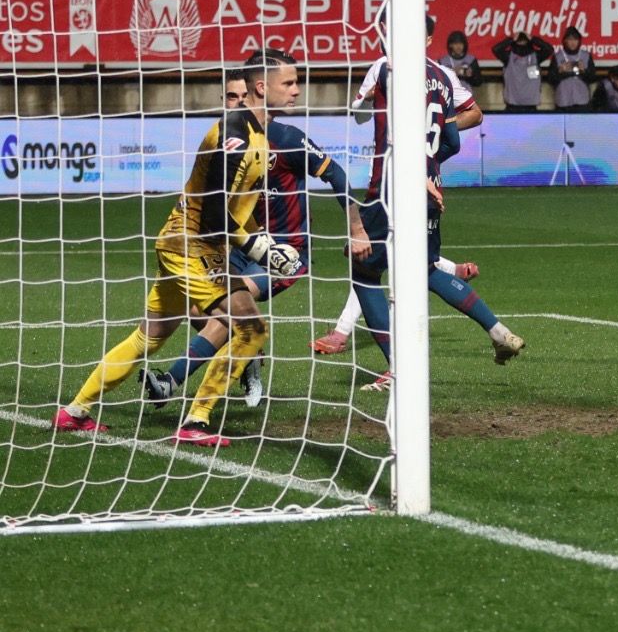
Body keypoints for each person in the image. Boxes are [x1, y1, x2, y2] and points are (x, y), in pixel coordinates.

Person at [55, 50, 319, 446]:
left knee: (148, 337)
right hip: (192, 247)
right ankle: (195, 422)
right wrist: (260, 250)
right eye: (290, 83)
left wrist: (263, 239)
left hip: (182, 243)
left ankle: (74, 412)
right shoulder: (236, 138)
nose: (297, 90)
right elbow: (215, 213)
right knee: (251, 327)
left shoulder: (259, 135)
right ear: (262, 87)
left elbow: (235, 205)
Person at [141, 71, 371, 410]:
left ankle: (170, 382)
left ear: (254, 94)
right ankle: (248, 359)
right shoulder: (226, 140)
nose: (235, 104)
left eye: (240, 97)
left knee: (232, 306)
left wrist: (357, 229)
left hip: (284, 250)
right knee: (197, 309)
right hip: (241, 245)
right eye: (229, 98)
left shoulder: (287, 138)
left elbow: (336, 174)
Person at [345, 44, 526, 391]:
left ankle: (397, 370)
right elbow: (454, 141)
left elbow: (358, 115)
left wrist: (366, 101)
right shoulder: (443, 77)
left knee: (363, 270)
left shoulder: (386, 66)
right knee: (424, 268)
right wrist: (428, 168)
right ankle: (498, 331)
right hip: (431, 187)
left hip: (392, 187)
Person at [492, 31, 555, 112]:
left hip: (531, 104)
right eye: (519, 41)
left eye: (524, 41)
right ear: (515, 42)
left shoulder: (536, 56)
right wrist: (511, 39)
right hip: (512, 105)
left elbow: (549, 49)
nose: (522, 44)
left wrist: (533, 38)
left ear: (529, 42)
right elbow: (496, 49)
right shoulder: (508, 56)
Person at [551, 27, 595, 110]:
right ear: (565, 41)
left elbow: (592, 78)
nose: (573, 42)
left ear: (579, 41)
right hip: (563, 100)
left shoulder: (586, 56)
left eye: (575, 39)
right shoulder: (557, 56)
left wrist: (583, 71)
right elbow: (551, 79)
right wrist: (560, 71)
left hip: (582, 100)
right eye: (570, 39)